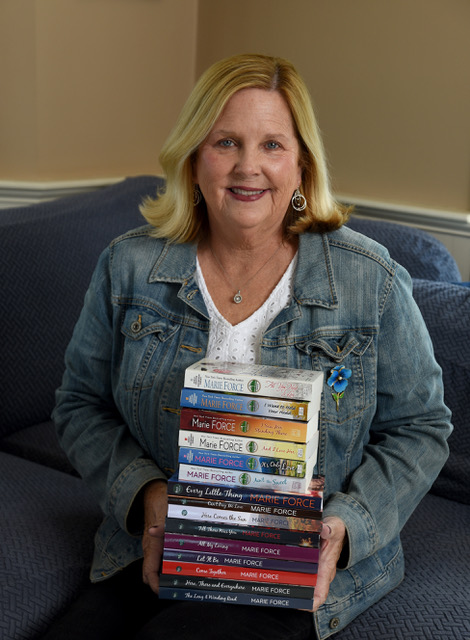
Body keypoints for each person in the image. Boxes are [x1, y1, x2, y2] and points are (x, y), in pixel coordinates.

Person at [46, 54, 452, 640]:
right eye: (226, 143)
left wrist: (341, 529)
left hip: (296, 566)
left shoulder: (371, 280)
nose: (248, 167)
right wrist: (147, 495)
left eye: (272, 145)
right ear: (194, 159)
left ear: (301, 166)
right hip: (153, 546)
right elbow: (80, 405)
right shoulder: (127, 266)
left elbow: (421, 428)